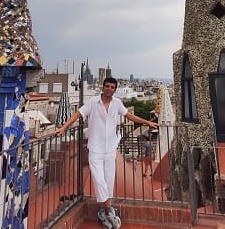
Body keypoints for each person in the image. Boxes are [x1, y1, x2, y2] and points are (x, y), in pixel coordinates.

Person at [56, 77, 158, 228]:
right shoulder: (93, 103)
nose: (109, 89)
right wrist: (63, 128)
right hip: (95, 149)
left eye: (112, 87)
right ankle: (108, 208)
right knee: (98, 179)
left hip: (110, 148)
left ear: (115, 89)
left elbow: (128, 115)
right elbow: (78, 114)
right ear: (103, 87)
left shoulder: (117, 103)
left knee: (109, 180)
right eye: (107, 86)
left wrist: (147, 122)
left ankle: (106, 209)